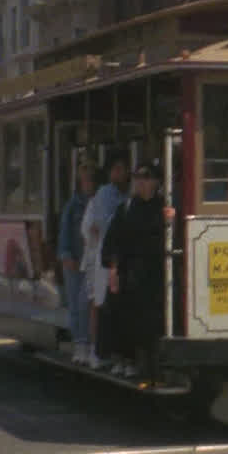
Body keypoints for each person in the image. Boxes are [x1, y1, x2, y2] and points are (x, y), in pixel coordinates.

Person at [101, 163, 176, 382]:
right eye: (137, 177)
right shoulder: (127, 208)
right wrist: (113, 268)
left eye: (146, 177)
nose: (141, 182)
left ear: (156, 182)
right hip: (130, 272)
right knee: (126, 318)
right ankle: (127, 360)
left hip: (155, 273)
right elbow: (112, 240)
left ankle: (152, 366)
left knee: (152, 321)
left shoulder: (163, 207)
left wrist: (171, 221)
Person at [79, 154, 130, 369]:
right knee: (100, 305)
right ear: (109, 173)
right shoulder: (105, 195)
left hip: (113, 257)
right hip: (104, 259)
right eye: (117, 169)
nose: (121, 173)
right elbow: (99, 228)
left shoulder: (125, 195)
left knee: (107, 305)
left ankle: (104, 351)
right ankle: (96, 351)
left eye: (124, 168)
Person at [57, 164, 97, 360]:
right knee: (76, 304)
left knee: (87, 304)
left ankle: (89, 343)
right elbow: (64, 232)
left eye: (91, 180)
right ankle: (80, 344)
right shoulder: (73, 206)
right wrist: (65, 254)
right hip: (75, 261)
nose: (88, 184)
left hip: (91, 262)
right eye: (85, 180)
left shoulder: (98, 202)